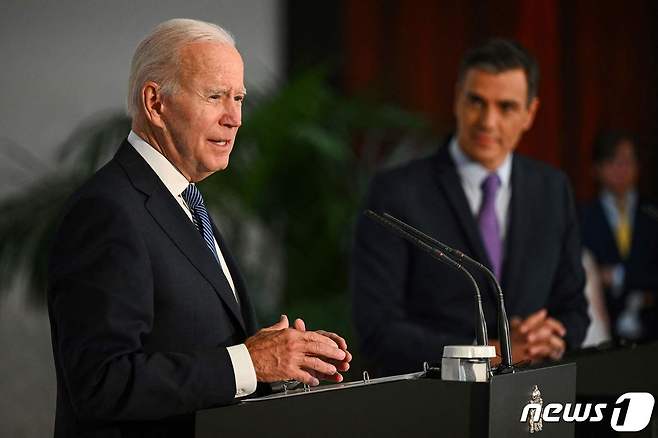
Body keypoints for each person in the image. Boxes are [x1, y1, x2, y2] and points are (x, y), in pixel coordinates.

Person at [47, 19, 351, 438]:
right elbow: (101, 381)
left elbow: (196, 350)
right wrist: (248, 362)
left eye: (239, 98)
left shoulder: (185, 202)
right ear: (155, 103)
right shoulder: (108, 210)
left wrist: (276, 360)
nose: (235, 118)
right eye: (215, 96)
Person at [351, 38, 589, 376]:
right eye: (476, 102)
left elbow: (574, 308)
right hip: (435, 405)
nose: (488, 122)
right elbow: (378, 330)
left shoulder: (552, 188)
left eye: (506, 107)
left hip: (533, 402)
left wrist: (551, 338)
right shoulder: (396, 192)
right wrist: (490, 352)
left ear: (530, 113)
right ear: (457, 99)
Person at [580, 131, 658, 343]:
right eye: (613, 161)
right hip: (604, 332)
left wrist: (616, 276)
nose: (621, 169)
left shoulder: (652, 213)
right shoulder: (582, 217)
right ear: (597, 168)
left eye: (628, 161)